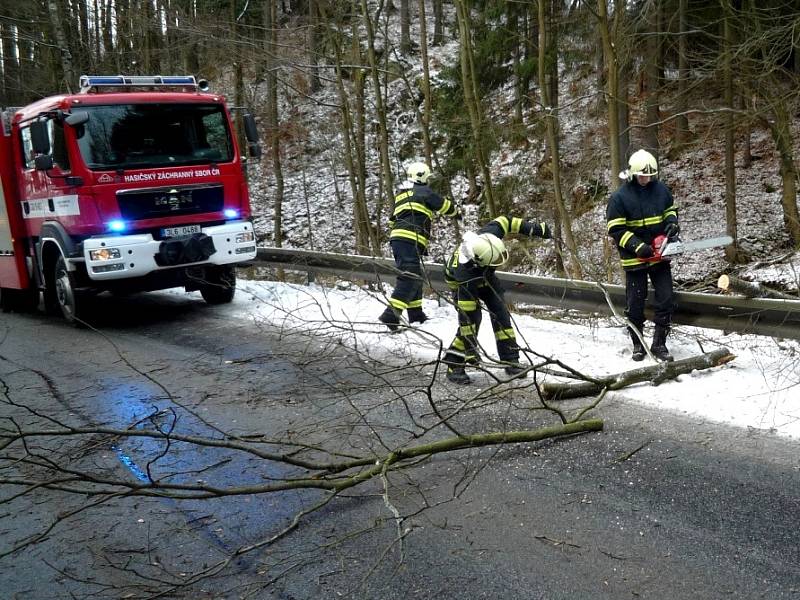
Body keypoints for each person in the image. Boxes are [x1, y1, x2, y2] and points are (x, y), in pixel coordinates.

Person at [441, 215, 553, 385]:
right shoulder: (465, 275)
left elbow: (507, 221)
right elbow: (466, 318)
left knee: (500, 312)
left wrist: (535, 229)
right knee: (473, 320)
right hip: (464, 284)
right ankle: (454, 362)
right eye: (496, 262)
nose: (499, 264)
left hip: (485, 275)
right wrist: (471, 350)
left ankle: (510, 360)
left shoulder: (489, 235)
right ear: (481, 261)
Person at [606, 149, 679, 362]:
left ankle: (659, 344)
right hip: (635, 259)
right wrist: (637, 246)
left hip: (660, 257)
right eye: (642, 175)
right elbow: (616, 229)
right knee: (636, 303)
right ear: (633, 174)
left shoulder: (661, 190)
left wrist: (672, 225)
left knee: (666, 299)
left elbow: (670, 211)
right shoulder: (619, 198)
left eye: (649, 175)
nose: (646, 179)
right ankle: (637, 343)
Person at [378, 162, 460, 330]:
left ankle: (416, 314)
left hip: (399, 240)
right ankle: (391, 314)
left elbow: (392, 218)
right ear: (422, 176)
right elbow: (444, 206)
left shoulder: (402, 195)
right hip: (409, 239)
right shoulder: (423, 191)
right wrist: (456, 212)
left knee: (415, 275)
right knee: (410, 277)